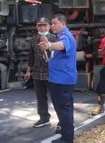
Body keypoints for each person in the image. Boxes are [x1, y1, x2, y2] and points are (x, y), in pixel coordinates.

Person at [39, 14, 77, 143]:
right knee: (66, 109)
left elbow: (61, 45)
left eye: (55, 23)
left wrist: (49, 45)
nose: (52, 26)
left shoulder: (65, 36)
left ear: (63, 23)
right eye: (52, 23)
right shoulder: (59, 36)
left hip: (62, 80)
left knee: (63, 110)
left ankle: (67, 139)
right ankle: (67, 134)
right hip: (60, 79)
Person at [24, 17, 56, 128]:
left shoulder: (54, 38)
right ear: (37, 26)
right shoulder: (34, 39)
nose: (42, 27)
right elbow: (31, 56)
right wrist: (29, 69)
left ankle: (62, 120)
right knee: (40, 96)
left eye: (44, 25)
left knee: (56, 96)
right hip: (37, 72)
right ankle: (44, 118)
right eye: (40, 25)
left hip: (50, 72)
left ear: (48, 26)